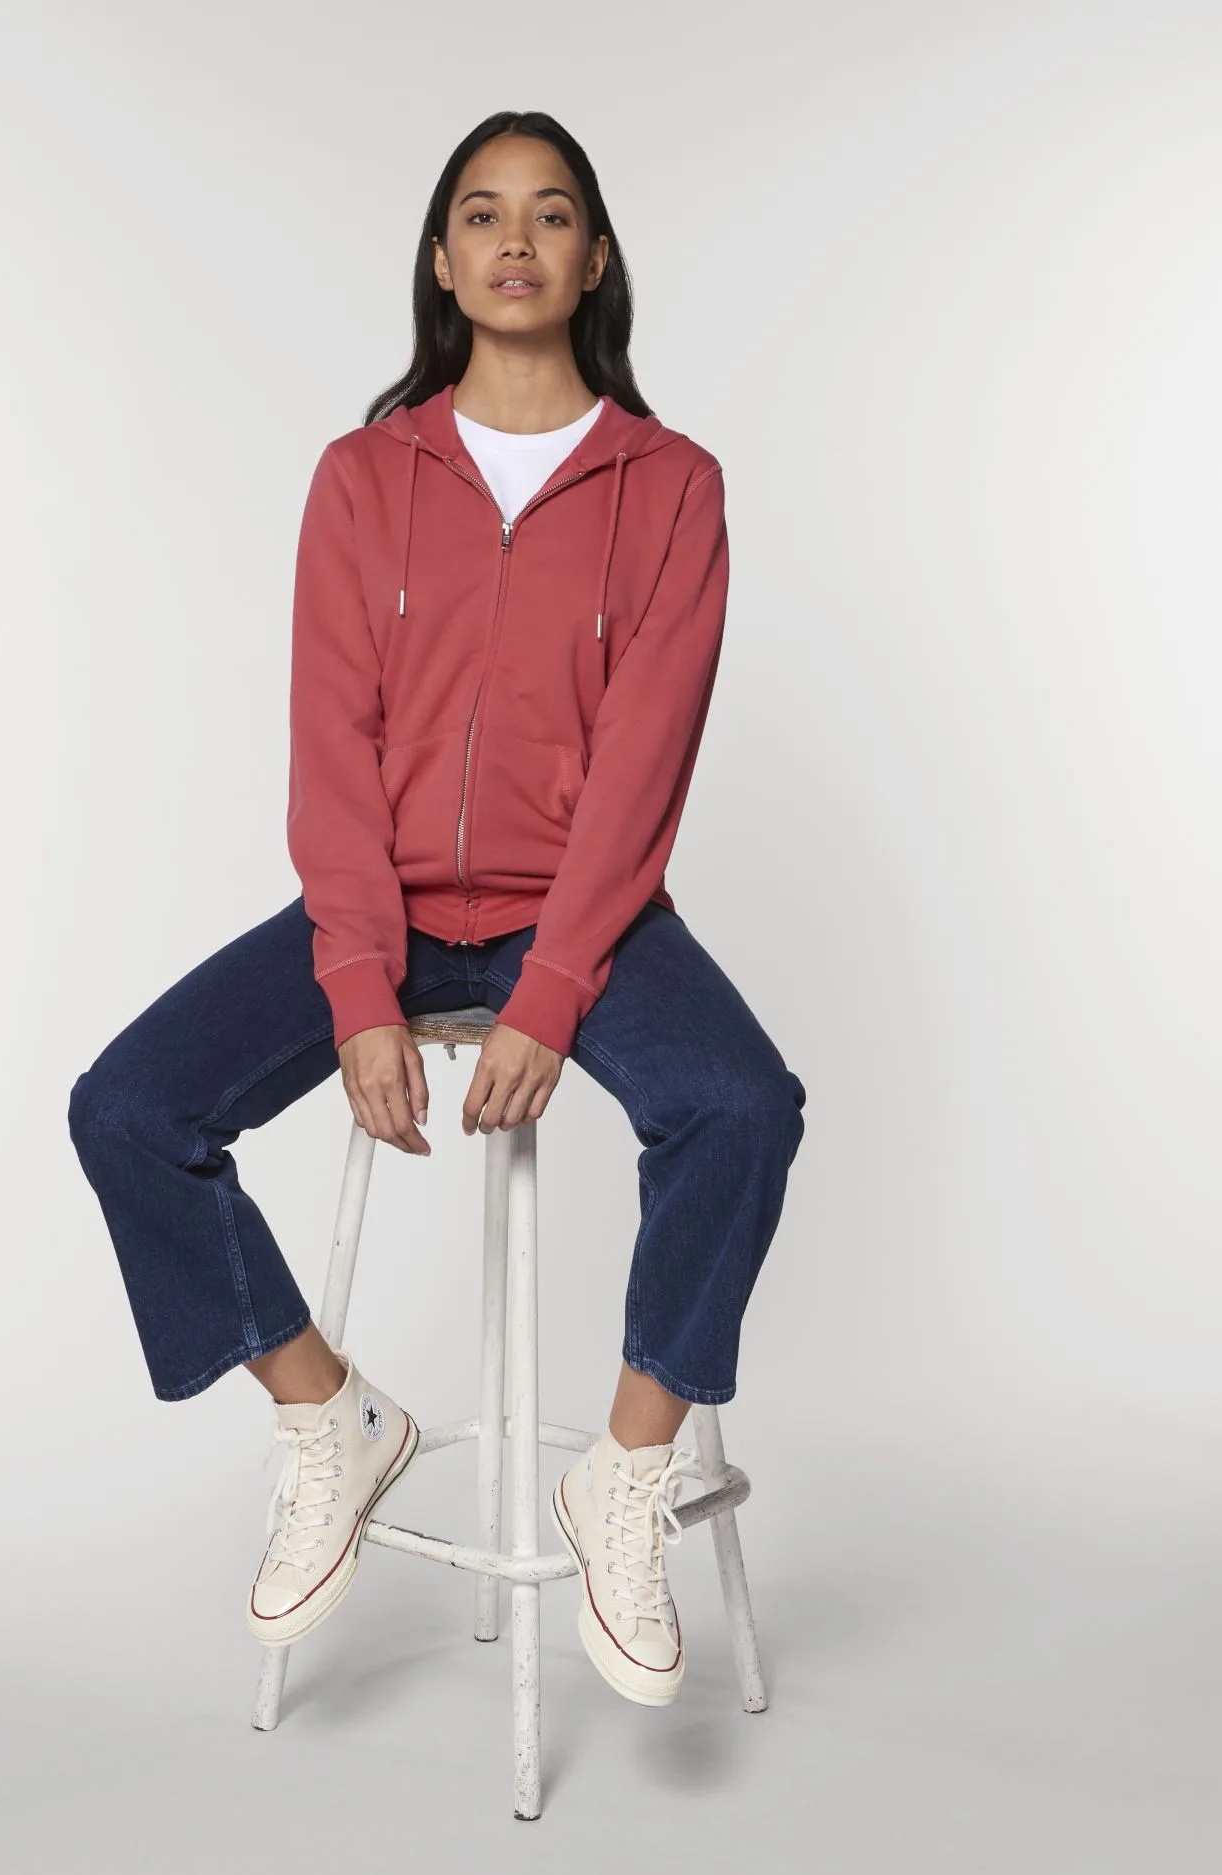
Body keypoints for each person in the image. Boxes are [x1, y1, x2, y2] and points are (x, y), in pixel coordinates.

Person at [68, 109, 806, 1710]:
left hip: (582, 912)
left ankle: (625, 1471)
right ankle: (328, 1412)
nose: (517, 239)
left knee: (746, 1106)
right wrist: (355, 985)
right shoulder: (364, 477)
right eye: (483, 213)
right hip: (383, 905)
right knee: (126, 1106)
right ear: (443, 259)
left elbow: (644, 762)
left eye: (551, 213)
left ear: (594, 259)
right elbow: (332, 747)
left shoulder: (672, 486)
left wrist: (552, 989)